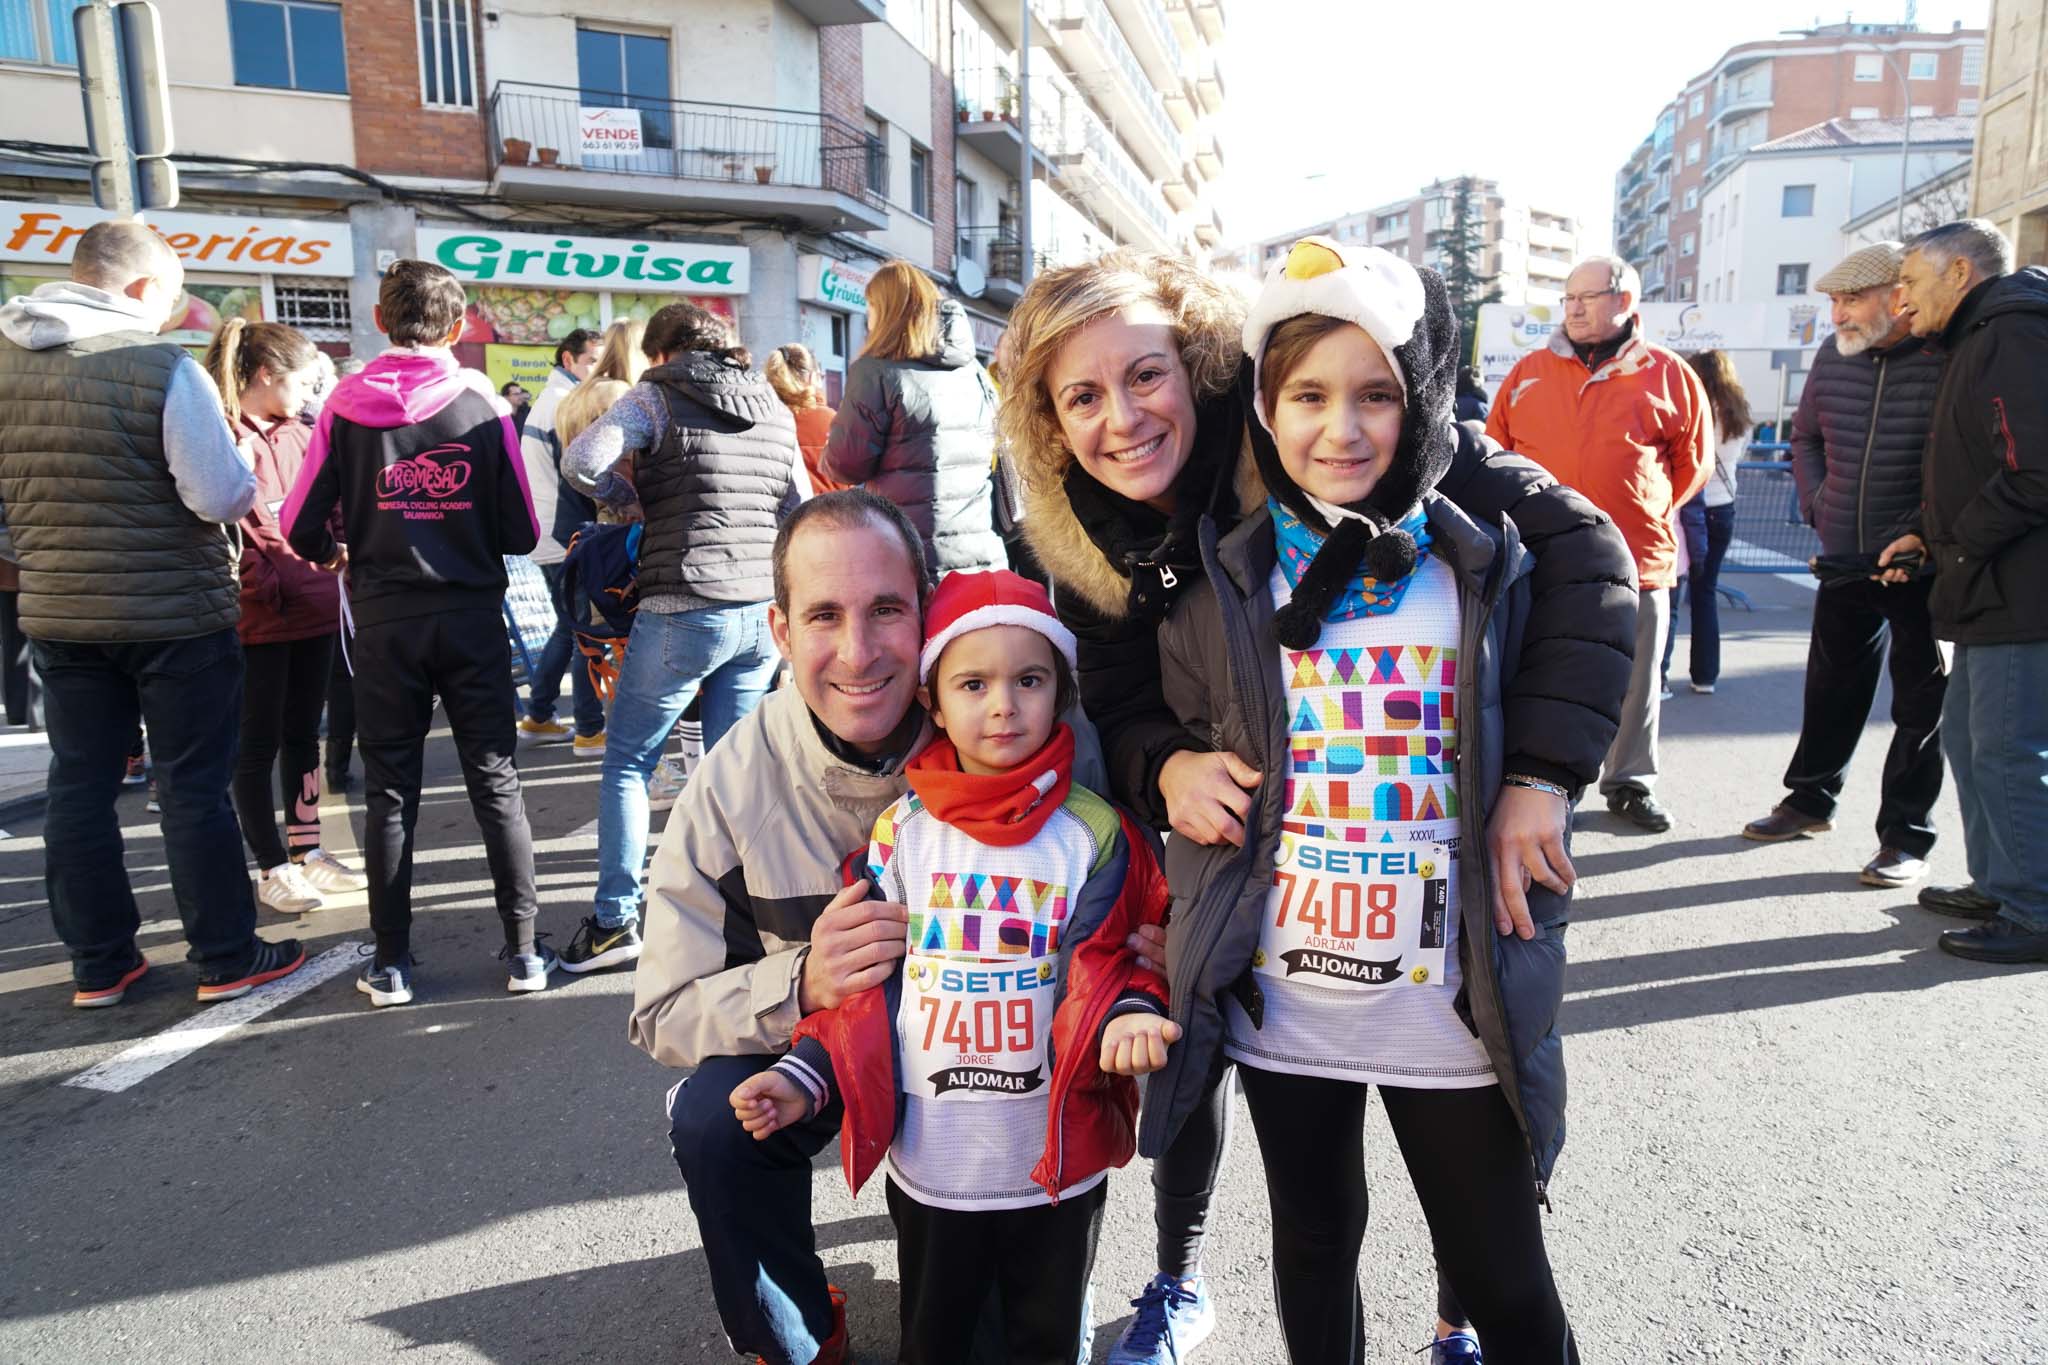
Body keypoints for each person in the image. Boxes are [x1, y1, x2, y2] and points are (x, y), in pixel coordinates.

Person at [997, 248, 1634, 1365]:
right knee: (1307, 1222)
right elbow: (1123, 699)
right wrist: (1163, 772)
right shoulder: (1083, 535)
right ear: (1048, 422)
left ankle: (1453, 1322)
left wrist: (1535, 776)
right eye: (1080, 397)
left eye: (1143, 378)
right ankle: (1179, 1276)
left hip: (1434, 943)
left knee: (1489, 1247)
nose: (1121, 419)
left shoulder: (1317, 426)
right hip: (1279, 947)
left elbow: (1578, 554)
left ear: (1203, 372)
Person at [730, 567, 1174, 1365]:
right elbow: (862, 992)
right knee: (935, 1335)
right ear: (934, 701)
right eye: (974, 682)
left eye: (1029, 679)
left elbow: (1118, 955)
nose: (1003, 703)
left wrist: (1131, 1012)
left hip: (1054, 1159)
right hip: (936, 1161)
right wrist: (801, 1074)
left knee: (1045, 1337)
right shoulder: (901, 834)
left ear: (1060, 690)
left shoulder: (1097, 834)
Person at [634, 491, 934, 1365]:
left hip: (988, 1051)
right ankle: (803, 1333)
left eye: (887, 609)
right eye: (823, 616)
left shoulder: (1007, 711)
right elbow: (662, 1009)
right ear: (778, 628)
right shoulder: (729, 784)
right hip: (814, 1057)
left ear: (929, 604)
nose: (859, 651)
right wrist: (803, 981)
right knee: (712, 1120)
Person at [0, 220, 306, 1006]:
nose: (171, 314)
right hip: (175, 615)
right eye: (169, 298)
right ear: (140, 289)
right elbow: (217, 494)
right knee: (191, 787)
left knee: (80, 786)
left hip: (60, 611)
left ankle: (100, 963)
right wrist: (242, 472)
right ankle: (225, 953)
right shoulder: (162, 367)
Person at [282, 258, 550, 1006]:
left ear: (378, 321)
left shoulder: (340, 405)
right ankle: (525, 951)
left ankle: (391, 963)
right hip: (469, 617)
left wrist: (342, 552)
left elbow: (297, 523)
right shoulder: (483, 406)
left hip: (383, 623)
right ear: (458, 328)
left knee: (390, 793)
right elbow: (524, 531)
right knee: (495, 782)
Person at [560, 303, 804, 976]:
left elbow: (583, 460)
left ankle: (614, 919)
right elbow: (798, 509)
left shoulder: (656, 396)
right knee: (733, 770)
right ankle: (744, 914)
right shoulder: (775, 408)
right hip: (757, 611)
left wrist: (625, 498)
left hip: (680, 602)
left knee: (630, 762)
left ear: (661, 352)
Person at [1741, 243, 1948, 889]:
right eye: (1832, 300)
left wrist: (1925, 532)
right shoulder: (1838, 353)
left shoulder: (1949, 354)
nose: (1837, 314)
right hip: (1841, 553)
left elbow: (1965, 456)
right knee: (1830, 689)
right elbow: (1805, 436)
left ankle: (1906, 837)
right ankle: (1808, 801)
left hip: (1920, 562)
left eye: (1850, 299)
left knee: (1921, 705)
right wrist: (1816, 500)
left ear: (1899, 295)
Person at [1486, 255, 1712, 833]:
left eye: (1588, 296)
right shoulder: (1529, 371)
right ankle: (1528, 781)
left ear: (1625, 301)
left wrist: (1641, 509)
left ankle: (1631, 781)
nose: (1575, 308)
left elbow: (1692, 467)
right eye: (1568, 298)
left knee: (1636, 681)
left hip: (1637, 561)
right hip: (1537, 557)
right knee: (1528, 670)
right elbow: (1494, 453)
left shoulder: (1670, 374)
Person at [1884, 220, 2048, 964]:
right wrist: (1927, 532)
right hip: (1987, 583)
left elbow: (2034, 470)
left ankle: (2033, 906)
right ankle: (2003, 883)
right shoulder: (1978, 338)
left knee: (2009, 749)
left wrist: (1954, 543)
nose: (1901, 299)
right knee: (1972, 743)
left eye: (1912, 280)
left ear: (1959, 273)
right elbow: (1975, 464)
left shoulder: (2011, 335)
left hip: (2022, 588)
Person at [202, 318, 366, 915]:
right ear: (267, 375)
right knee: (256, 744)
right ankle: (271, 866)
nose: (308, 391)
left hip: (317, 607)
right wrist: (264, 581)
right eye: (301, 380)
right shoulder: (218, 432)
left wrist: (344, 557)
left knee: (305, 736)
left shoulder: (305, 432)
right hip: (258, 619)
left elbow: (335, 507)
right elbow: (224, 525)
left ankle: (308, 853)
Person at [819, 260, 1005, 576]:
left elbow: (846, 465)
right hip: (982, 554)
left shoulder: (876, 372)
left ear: (885, 310)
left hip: (909, 554)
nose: (868, 317)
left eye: (871, 307)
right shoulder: (974, 371)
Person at [517, 327, 605, 754]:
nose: (597, 369)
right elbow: (583, 479)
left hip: (552, 534)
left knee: (570, 629)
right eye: (591, 360)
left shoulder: (554, 402)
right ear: (568, 360)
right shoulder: (563, 406)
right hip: (564, 536)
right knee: (584, 631)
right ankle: (588, 727)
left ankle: (539, 716)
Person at [1661, 350, 1745, 695]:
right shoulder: (1738, 415)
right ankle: (1705, 676)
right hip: (1723, 508)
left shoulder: (1690, 411)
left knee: (1670, 596)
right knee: (1705, 592)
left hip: (1688, 511)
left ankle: (1660, 675)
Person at [765, 342, 845, 495]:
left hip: (776, 516)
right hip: (826, 513)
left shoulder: (761, 418)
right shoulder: (831, 421)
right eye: (821, 376)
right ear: (812, 377)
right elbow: (848, 481)